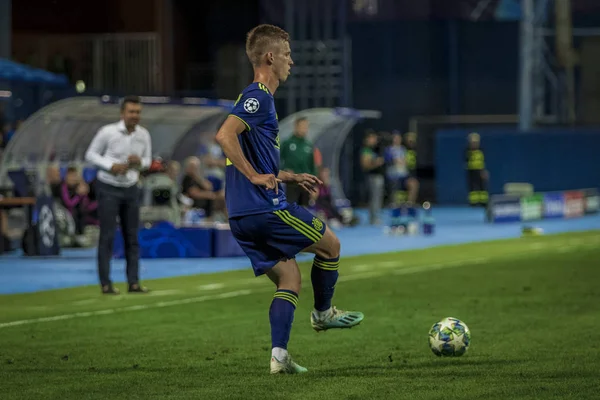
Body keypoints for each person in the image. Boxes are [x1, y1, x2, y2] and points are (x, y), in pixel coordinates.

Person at [215, 24, 364, 375]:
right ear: (270, 57)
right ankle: (324, 314)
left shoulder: (255, 102)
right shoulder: (258, 97)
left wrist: (288, 176)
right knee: (331, 245)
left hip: (241, 217)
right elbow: (224, 135)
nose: (291, 62)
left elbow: (253, 159)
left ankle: (279, 357)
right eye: (286, 54)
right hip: (265, 209)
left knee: (289, 279)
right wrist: (254, 177)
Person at [85, 95, 152, 295]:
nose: (135, 116)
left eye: (138, 112)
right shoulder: (108, 132)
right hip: (108, 186)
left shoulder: (143, 135)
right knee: (107, 236)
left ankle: (133, 283)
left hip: (131, 186)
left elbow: (148, 160)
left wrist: (139, 162)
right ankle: (105, 284)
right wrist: (110, 166)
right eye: (131, 112)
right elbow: (90, 154)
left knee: (132, 237)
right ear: (122, 113)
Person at [280, 117, 317, 206]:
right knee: (291, 208)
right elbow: (278, 160)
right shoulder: (287, 143)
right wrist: (285, 170)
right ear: (296, 126)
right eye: (302, 126)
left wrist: (315, 186)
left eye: (306, 126)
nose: (304, 129)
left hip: (306, 183)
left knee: (305, 209)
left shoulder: (309, 145)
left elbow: (312, 166)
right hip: (292, 182)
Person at [385, 132, 419, 205]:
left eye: (398, 138)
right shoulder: (388, 149)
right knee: (395, 186)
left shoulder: (404, 149)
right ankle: (394, 204)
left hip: (404, 176)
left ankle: (409, 204)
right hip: (393, 176)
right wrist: (396, 160)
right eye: (395, 138)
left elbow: (407, 161)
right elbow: (388, 160)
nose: (397, 140)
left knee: (413, 183)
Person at [360, 131, 385, 225]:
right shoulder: (366, 150)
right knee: (374, 198)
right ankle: (373, 219)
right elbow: (365, 166)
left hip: (378, 176)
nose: (375, 140)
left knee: (377, 198)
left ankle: (375, 217)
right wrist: (376, 163)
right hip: (373, 177)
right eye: (372, 138)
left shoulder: (375, 149)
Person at [465, 132, 489, 207]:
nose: (474, 144)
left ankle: (484, 202)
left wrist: (483, 171)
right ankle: (473, 203)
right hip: (471, 172)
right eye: (473, 142)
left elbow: (483, 162)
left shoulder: (481, 151)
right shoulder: (467, 151)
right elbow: (466, 161)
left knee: (482, 187)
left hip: (479, 171)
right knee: (472, 187)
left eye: (476, 142)